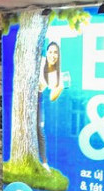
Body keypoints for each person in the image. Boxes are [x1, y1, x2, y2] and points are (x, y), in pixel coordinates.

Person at [36, 41, 64, 169]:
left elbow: (52, 97)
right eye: (51, 52)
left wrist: (60, 88)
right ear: (46, 53)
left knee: (39, 128)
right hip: (28, 93)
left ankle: (44, 162)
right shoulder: (40, 61)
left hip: (38, 97)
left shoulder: (56, 75)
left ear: (58, 55)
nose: (53, 55)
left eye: (56, 52)